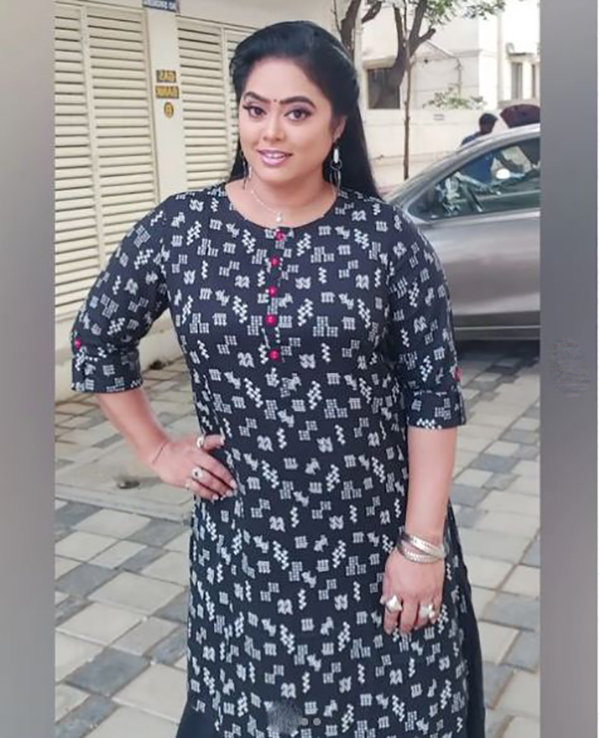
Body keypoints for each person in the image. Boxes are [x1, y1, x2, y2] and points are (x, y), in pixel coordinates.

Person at [70, 20, 485, 738]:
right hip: (248, 548)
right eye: (255, 108)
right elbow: (97, 337)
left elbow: (432, 396)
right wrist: (157, 449)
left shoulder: (384, 239)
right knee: (254, 715)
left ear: (337, 125)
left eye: (297, 112)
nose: (271, 131)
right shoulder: (183, 230)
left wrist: (421, 546)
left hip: (373, 538)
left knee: (397, 712)